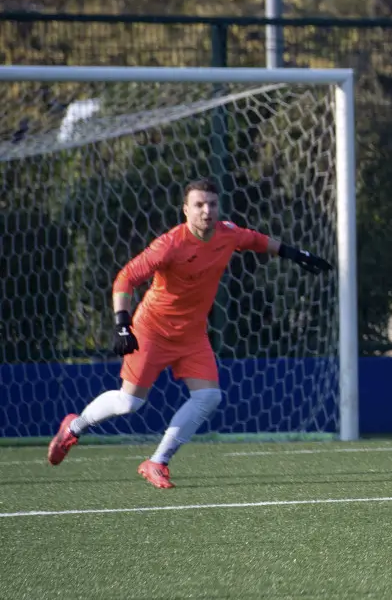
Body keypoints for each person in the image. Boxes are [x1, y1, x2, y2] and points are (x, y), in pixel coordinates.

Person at [47, 178, 333, 488]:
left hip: (192, 334)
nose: (206, 211)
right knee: (129, 404)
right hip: (152, 330)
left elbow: (257, 241)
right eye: (199, 205)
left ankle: (157, 462)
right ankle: (73, 428)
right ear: (186, 210)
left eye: (211, 203)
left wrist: (295, 254)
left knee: (209, 396)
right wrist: (121, 322)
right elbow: (125, 278)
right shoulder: (170, 244)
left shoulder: (227, 233)